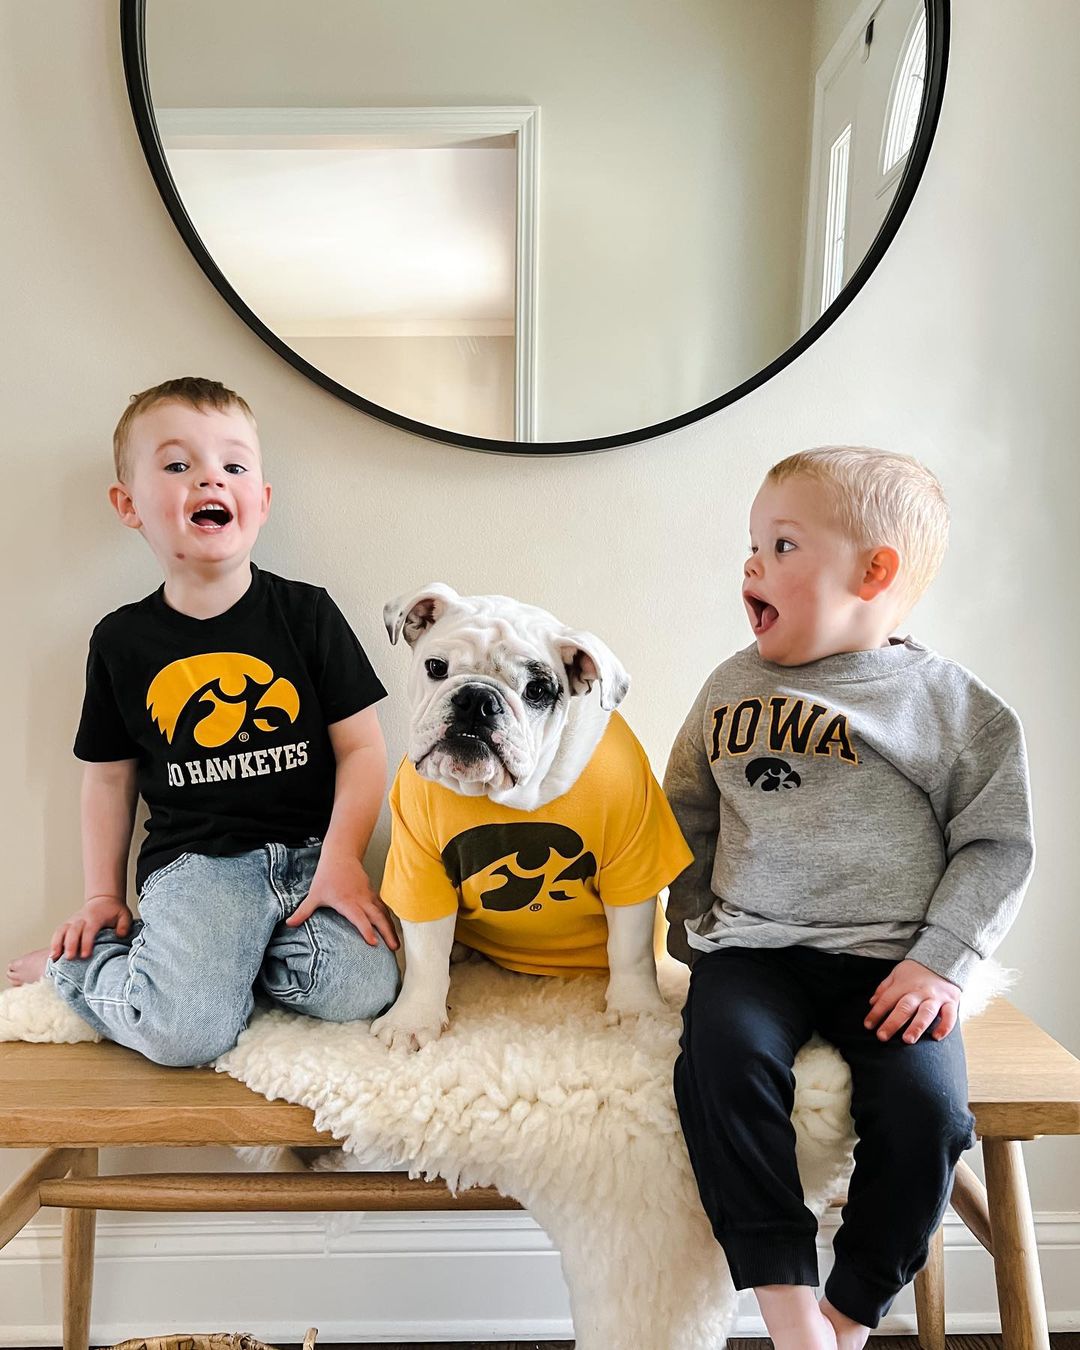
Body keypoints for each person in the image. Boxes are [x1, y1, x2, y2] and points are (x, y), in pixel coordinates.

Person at [664, 446, 1035, 1349]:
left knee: (930, 1117)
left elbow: (996, 843)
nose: (752, 565)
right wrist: (687, 926)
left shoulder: (949, 707)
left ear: (874, 573)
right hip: (753, 951)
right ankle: (790, 1310)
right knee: (718, 1066)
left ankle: (850, 1311)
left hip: (893, 962)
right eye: (751, 546)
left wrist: (943, 961)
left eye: (782, 545)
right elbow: (681, 815)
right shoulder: (730, 687)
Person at [7, 377, 400, 1065]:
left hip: (310, 859)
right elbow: (106, 781)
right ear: (129, 504)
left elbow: (363, 749)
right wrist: (102, 893)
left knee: (363, 986)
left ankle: (208, 969)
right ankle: (81, 970)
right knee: (183, 1035)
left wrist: (342, 861)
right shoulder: (123, 641)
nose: (209, 479)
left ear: (262, 501)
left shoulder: (306, 614)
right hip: (199, 868)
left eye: (234, 465)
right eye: (178, 464)